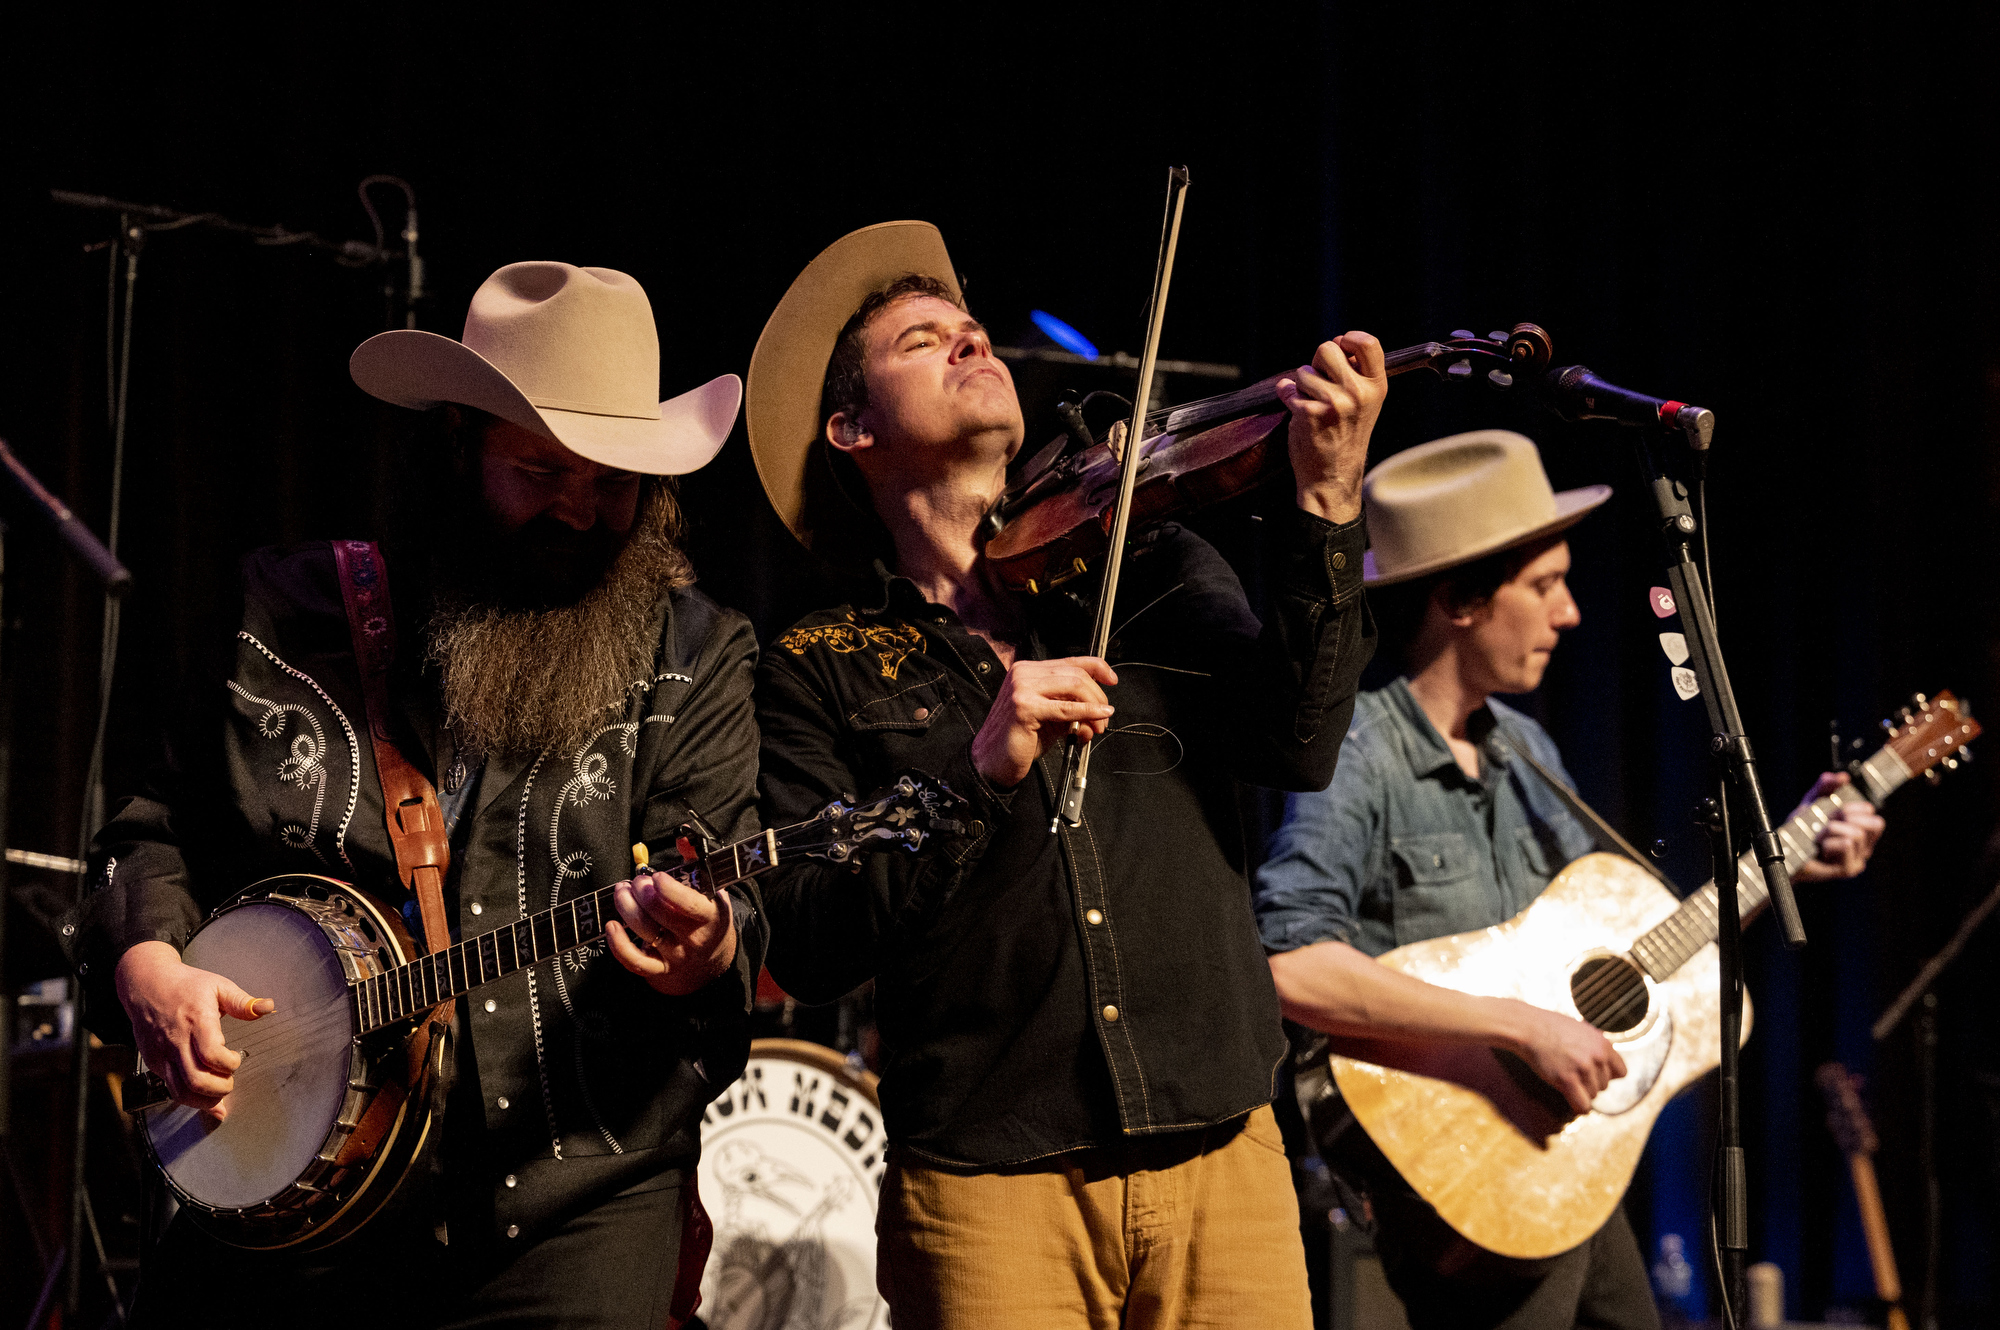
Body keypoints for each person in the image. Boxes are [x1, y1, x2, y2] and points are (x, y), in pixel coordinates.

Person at [69, 262, 761, 1328]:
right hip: (288, 1220)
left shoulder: (697, 656)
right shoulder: (277, 617)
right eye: (540, 472)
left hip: (581, 1198)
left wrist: (710, 944)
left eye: (615, 482)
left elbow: (725, 884)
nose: (579, 513)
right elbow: (140, 838)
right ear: (456, 446)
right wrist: (147, 961)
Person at [741, 220, 1382, 1329]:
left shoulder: (1146, 561)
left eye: (973, 330)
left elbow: (1296, 743)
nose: (968, 343)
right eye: (922, 340)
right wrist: (974, 773)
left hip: (1220, 1150)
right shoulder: (815, 664)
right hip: (988, 1187)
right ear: (850, 428)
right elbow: (809, 938)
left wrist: (1324, 504)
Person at [1253, 431, 1886, 1330]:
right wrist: (1520, 1024)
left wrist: (1787, 860)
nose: (1571, 614)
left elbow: (1632, 956)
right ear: (1462, 597)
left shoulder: (1529, 752)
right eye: (1545, 585)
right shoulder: (1361, 752)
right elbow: (1292, 965)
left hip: (1562, 1161)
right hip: (1463, 1174)